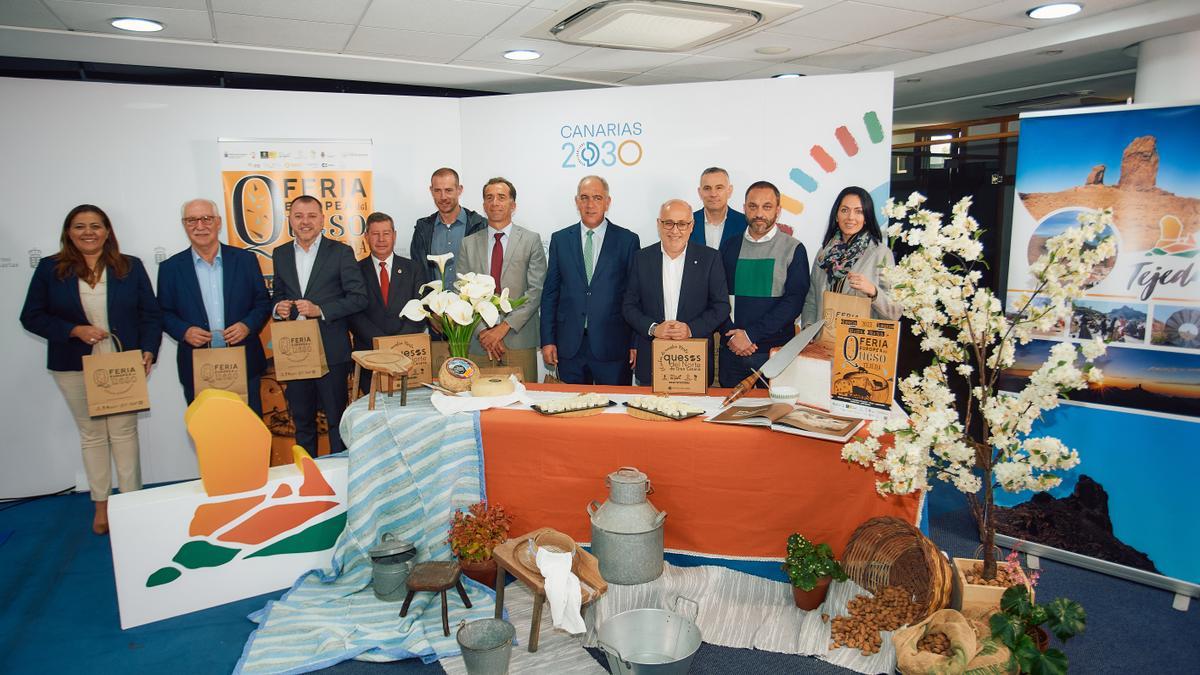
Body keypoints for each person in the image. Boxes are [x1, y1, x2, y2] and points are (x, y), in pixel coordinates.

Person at [20, 204, 162, 535]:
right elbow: (32, 316)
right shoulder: (49, 269)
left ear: (108, 231)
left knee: (125, 433)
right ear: (68, 233)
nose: (88, 232)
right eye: (80, 226)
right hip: (73, 365)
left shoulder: (130, 266)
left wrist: (149, 351)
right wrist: (74, 330)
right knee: (93, 434)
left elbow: (150, 315)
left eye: (96, 226)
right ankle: (102, 505)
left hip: (122, 364)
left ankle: (131, 504)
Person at [271, 195, 367, 456]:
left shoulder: (340, 252)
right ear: (290, 220)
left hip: (331, 352)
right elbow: (278, 293)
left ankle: (338, 479)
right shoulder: (280, 254)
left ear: (322, 219)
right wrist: (277, 308)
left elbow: (359, 297)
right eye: (299, 216)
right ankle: (307, 479)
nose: (305, 222)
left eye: (311, 216)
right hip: (294, 354)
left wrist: (321, 310)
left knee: (337, 420)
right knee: (301, 422)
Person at [157, 198, 271, 414]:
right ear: (184, 225)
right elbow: (162, 312)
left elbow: (263, 302)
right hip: (198, 367)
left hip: (244, 362)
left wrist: (247, 326)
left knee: (250, 434)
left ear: (218, 222)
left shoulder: (245, 260)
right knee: (209, 435)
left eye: (207, 219)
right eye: (192, 220)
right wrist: (184, 331)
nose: (200, 226)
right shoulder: (170, 268)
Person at [540, 176, 640, 385]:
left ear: (607, 202)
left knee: (614, 415)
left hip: (613, 346)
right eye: (584, 198)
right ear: (576, 202)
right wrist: (548, 340)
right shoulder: (560, 240)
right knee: (571, 413)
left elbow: (634, 296)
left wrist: (635, 343)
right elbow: (551, 294)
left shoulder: (627, 240)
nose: (590, 204)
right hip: (570, 347)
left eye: (597, 197)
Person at [623, 199, 730, 386]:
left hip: (694, 362)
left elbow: (721, 306)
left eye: (682, 224)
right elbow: (629, 306)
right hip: (652, 362)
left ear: (691, 226)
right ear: (659, 224)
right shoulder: (641, 258)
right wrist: (654, 328)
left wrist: (690, 329)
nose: (675, 230)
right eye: (668, 223)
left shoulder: (710, 258)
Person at [718, 181, 809, 388]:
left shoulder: (793, 248)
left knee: (772, 415)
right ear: (744, 209)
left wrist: (750, 335)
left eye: (766, 207)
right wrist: (732, 337)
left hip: (773, 355)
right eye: (753, 206)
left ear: (778, 210)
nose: (759, 213)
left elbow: (793, 302)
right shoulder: (729, 246)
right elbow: (717, 298)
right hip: (732, 353)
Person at [458, 177, 546, 382]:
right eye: (489, 198)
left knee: (522, 406)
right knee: (479, 402)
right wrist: (484, 332)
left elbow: (535, 292)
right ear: (484, 205)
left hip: (518, 338)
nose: (495, 202)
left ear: (513, 205)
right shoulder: (468, 244)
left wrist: (502, 329)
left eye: (501, 197)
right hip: (480, 341)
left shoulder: (531, 240)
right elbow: (462, 293)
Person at [801, 186, 900, 328]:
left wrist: (873, 292)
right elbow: (811, 299)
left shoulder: (880, 254)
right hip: (823, 341)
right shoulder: (824, 253)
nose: (850, 217)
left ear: (866, 217)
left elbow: (895, 312)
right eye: (844, 210)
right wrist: (808, 327)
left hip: (858, 343)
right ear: (836, 215)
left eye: (858, 211)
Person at [349, 211, 424, 393]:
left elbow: (421, 308)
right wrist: (382, 343)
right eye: (375, 234)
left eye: (386, 233)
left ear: (395, 236)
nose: (381, 239)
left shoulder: (414, 268)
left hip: (406, 356)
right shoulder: (354, 271)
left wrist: (397, 343)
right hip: (369, 357)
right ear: (366, 237)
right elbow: (353, 313)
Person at [410, 167, 487, 287]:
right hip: (433, 304)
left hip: (470, 304)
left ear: (459, 190)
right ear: (431, 191)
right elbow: (418, 273)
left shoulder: (480, 225)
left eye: (448, 190)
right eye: (437, 191)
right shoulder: (422, 229)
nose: (443, 197)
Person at [689, 167, 748, 249]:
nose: (713, 194)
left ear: (729, 191)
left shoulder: (745, 223)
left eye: (719, 188)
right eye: (707, 188)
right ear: (700, 192)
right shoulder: (686, 223)